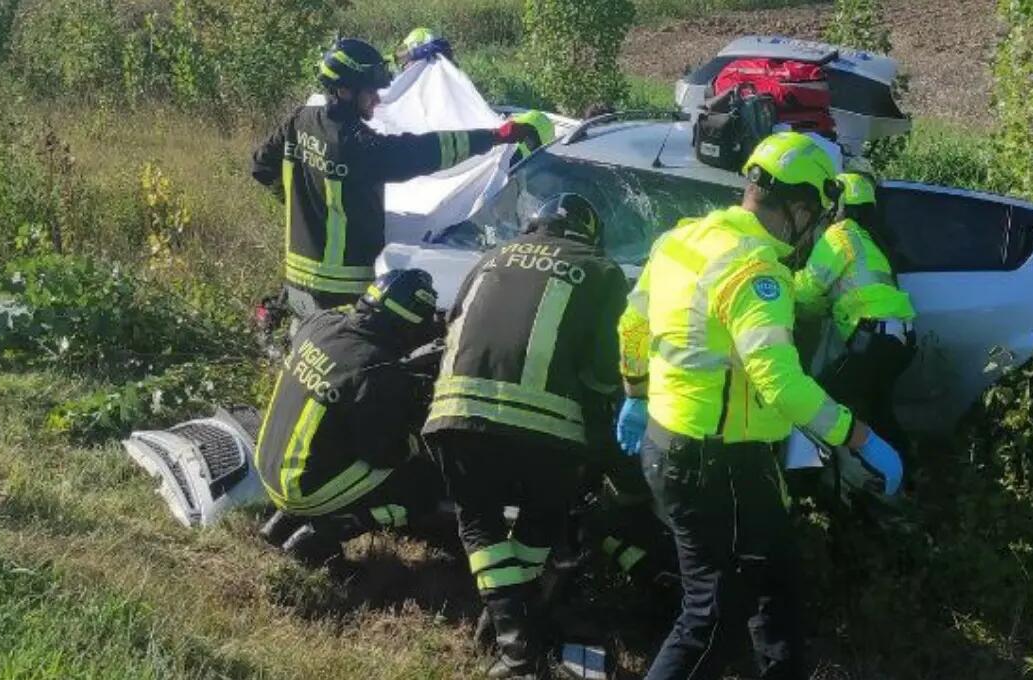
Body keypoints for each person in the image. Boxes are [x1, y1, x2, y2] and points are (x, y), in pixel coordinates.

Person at [614, 132, 905, 680]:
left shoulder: (680, 240)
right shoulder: (756, 269)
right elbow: (782, 383)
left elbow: (632, 324)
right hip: (712, 459)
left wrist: (633, 395)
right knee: (712, 617)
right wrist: (860, 438)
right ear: (797, 209)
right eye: (814, 217)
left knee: (777, 580)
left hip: (681, 443)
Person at [422, 194, 628, 679]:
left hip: (456, 415)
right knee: (541, 520)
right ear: (589, 234)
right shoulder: (601, 270)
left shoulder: (489, 258)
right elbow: (604, 370)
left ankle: (507, 634)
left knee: (480, 525)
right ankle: (518, 646)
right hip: (548, 427)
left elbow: (455, 326)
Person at [251, 37, 542, 325]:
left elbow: (261, 166)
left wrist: (298, 203)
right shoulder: (358, 146)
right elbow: (424, 152)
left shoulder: (299, 119)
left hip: (295, 278)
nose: (377, 100)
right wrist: (494, 137)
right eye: (370, 92)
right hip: (342, 288)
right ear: (344, 91)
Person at [254, 269, 446, 568]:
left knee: (328, 438)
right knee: (423, 489)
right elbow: (384, 454)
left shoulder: (320, 323)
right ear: (406, 328)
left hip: (267, 466)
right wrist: (413, 437)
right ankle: (325, 531)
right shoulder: (376, 371)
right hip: (304, 487)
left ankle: (281, 522)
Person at [794, 171, 917, 455]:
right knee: (877, 410)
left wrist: (777, 281)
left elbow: (809, 287)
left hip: (873, 339)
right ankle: (904, 475)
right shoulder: (871, 241)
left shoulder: (840, 235)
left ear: (840, 204)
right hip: (900, 340)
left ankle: (811, 483)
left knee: (817, 405)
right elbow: (843, 292)